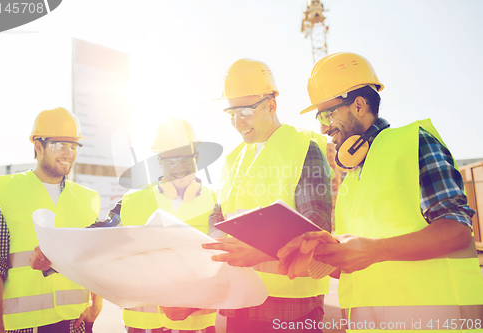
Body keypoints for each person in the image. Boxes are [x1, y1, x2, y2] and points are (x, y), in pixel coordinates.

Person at [279, 52, 483, 328]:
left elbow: (458, 229)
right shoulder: (351, 175)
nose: (324, 127)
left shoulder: (413, 142)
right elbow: (363, 261)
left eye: (328, 114)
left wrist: (372, 251)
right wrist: (326, 254)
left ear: (359, 105)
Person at [202, 59, 332, 333]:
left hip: (291, 306)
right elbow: (219, 213)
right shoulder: (235, 158)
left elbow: (317, 225)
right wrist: (217, 242)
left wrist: (259, 252)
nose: (237, 123)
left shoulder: (303, 147)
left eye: (245, 112)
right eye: (231, 113)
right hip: (240, 299)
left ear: (271, 105)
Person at [0, 107, 102, 333]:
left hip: (74, 325)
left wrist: (96, 305)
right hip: (22, 327)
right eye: (60, 145)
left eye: (73, 146)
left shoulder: (89, 199)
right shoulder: (2, 191)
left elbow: (94, 259)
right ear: (38, 146)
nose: (68, 153)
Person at [116, 118, 217, 333]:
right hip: (143, 324)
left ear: (196, 157)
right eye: (170, 160)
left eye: (184, 159)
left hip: (196, 324)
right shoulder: (132, 201)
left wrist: (194, 304)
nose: (178, 168)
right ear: (159, 161)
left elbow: (223, 268)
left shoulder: (216, 203)